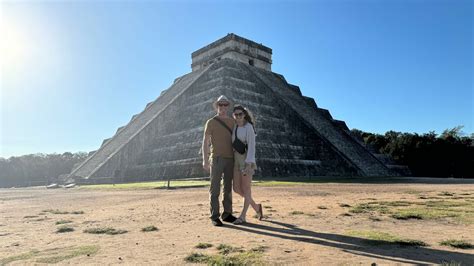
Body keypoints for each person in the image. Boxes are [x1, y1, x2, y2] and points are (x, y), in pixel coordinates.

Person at [202, 95, 238, 226]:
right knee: (215, 189)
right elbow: (205, 142)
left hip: (230, 159)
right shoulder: (211, 122)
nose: (222, 107)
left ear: (228, 107)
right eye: (220, 105)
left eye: (225, 105)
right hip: (216, 158)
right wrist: (205, 160)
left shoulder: (233, 122)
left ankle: (227, 214)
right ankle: (214, 216)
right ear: (217, 106)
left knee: (228, 189)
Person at [231, 105, 262, 224]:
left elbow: (252, 147)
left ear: (244, 114)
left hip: (245, 160)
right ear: (233, 116)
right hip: (236, 160)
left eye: (240, 114)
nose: (238, 116)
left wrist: (249, 164)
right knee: (236, 188)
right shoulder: (234, 127)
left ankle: (243, 216)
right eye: (235, 115)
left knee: (246, 188)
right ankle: (256, 207)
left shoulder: (249, 127)